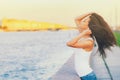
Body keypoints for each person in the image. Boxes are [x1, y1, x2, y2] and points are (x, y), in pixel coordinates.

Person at [66, 13, 97, 80]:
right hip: (84, 75)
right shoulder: (83, 35)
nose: (81, 21)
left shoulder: (88, 42)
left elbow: (69, 44)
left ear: (88, 26)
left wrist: (83, 33)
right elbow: (76, 19)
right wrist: (90, 12)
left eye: (84, 21)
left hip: (87, 76)